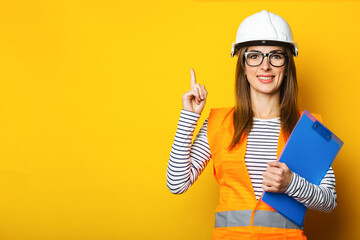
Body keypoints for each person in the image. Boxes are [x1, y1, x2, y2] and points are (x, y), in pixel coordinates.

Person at [166, 10, 337, 240]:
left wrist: (291, 184)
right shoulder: (219, 124)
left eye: (276, 56)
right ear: (243, 66)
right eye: (254, 56)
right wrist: (189, 117)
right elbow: (177, 184)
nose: (265, 66)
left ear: (286, 66)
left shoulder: (307, 129)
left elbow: (329, 201)